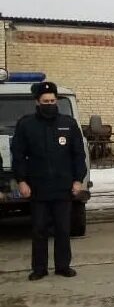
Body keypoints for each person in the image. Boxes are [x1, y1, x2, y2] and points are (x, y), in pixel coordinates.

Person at [12, 81, 87, 281]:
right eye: (46, 101)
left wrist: (78, 180)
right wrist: (21, 181)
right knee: (39, 230)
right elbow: (18, 155)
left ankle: (63, 266)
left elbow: (78, 155)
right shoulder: (26, 124)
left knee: (63, 230)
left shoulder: (68, 123)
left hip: (63, 188)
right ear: (37, 102)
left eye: (53, 100)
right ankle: (39, 268)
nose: (50, 104)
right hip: (38, 188)